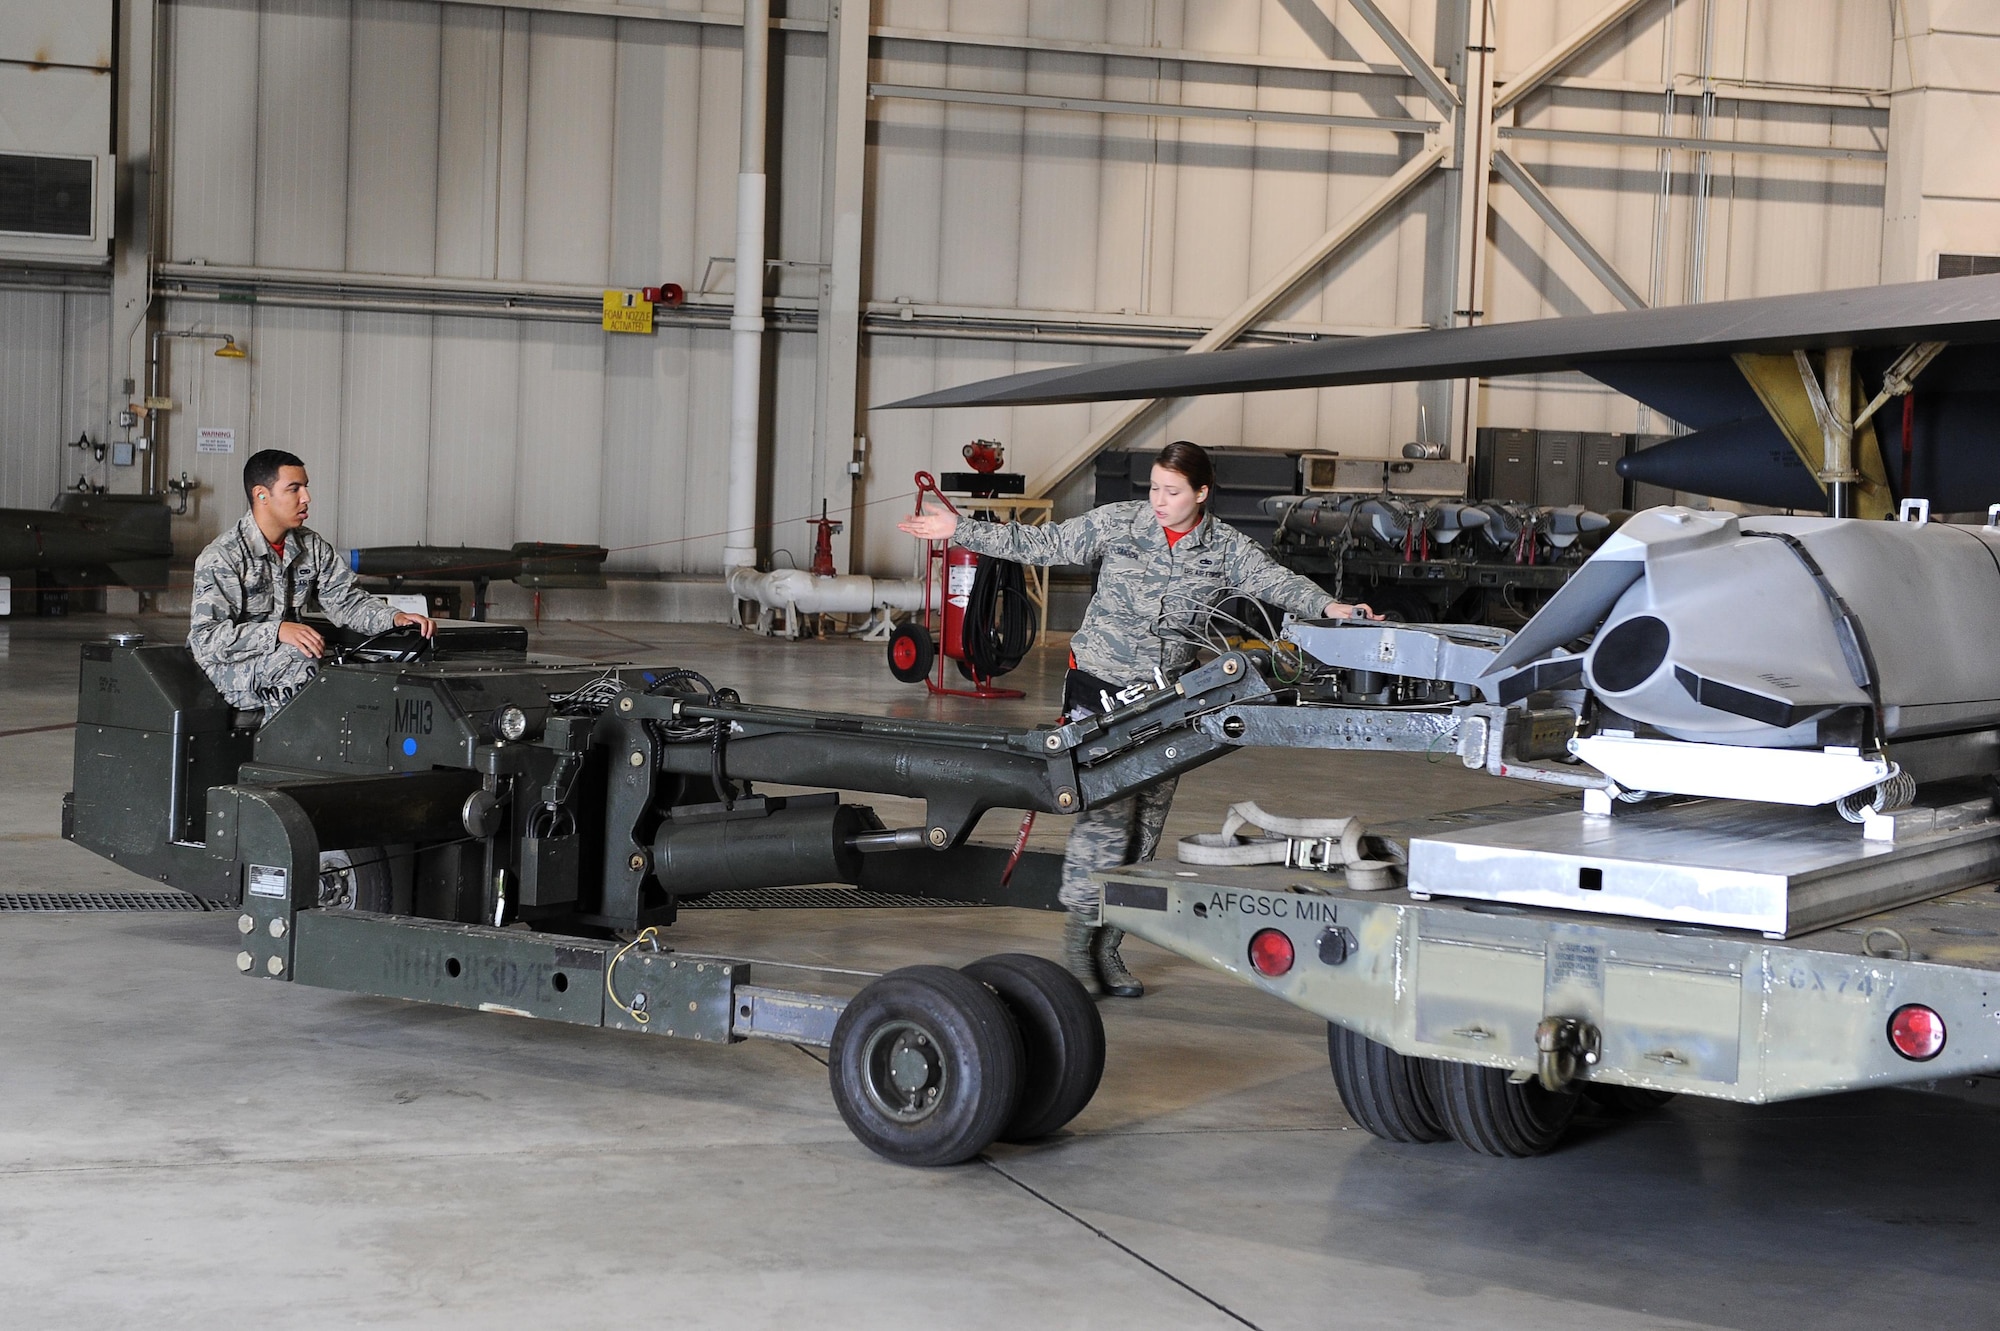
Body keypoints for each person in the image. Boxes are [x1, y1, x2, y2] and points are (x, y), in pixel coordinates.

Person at [899, 440, 1374, 997]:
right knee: (1106, 821)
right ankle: (1078, 948)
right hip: (1100, 686)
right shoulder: (1120, 523)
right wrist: (959, 529)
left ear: (1201, 493)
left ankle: (1110, 949)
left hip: (1167, 698)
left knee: (1146, 827)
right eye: (1154, 488)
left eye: (1173, 492)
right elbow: (1043, 542)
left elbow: (1275, 582)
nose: (1159, 500)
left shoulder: (1224, 547)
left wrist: (1331, 607)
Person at [189, 449, 434, 713]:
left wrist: (395, 619)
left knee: (360, 669)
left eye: (305, 487)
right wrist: (278, 631)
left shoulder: (311, 546)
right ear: (262, 494)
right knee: (298, 661)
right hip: (229, 672)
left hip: (288, 658)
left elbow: (347, 601)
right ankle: (282, 753)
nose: (306, 498)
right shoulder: (223, 556)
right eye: (294, 489)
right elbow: (207, 640)